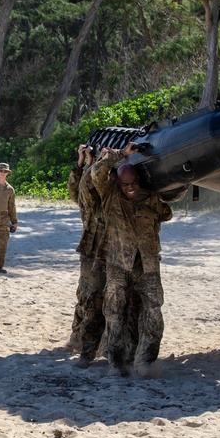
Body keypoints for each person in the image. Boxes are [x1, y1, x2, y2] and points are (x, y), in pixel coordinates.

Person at [91, 145, 172, 377]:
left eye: (134, 183)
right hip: (118, 264)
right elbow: (98, 172)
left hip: (147, 265)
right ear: (118, 183)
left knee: (154, 312)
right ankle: (115, 363)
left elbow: (167, 212)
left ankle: (144, 361)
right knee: (114, 314)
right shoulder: (110, 196)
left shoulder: (151, 199)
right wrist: (121, 155)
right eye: (125, 184)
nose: (130, 188)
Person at [71, 145, 108, 368]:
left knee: (93, 296)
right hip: (92, 249)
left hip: (102, 248)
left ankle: (85, 338)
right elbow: (79, 188)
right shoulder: (90, 189)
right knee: (88, 296)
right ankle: (79, 337)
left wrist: (91, 163)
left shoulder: (103, 187)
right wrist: (83, 163)